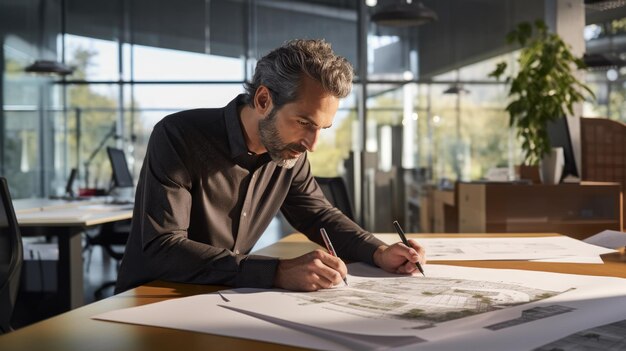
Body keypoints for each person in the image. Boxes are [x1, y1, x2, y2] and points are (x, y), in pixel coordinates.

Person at [115, 39, 425, 293]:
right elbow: (162, 248)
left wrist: (378, 251)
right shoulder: (178, 135)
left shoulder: (290, 152)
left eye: (322, 128)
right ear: (263, 100)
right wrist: (274, 271)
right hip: (155, 296)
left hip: (224, 295)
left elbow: (318, 214)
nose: (312, 144)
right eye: (304, 122)